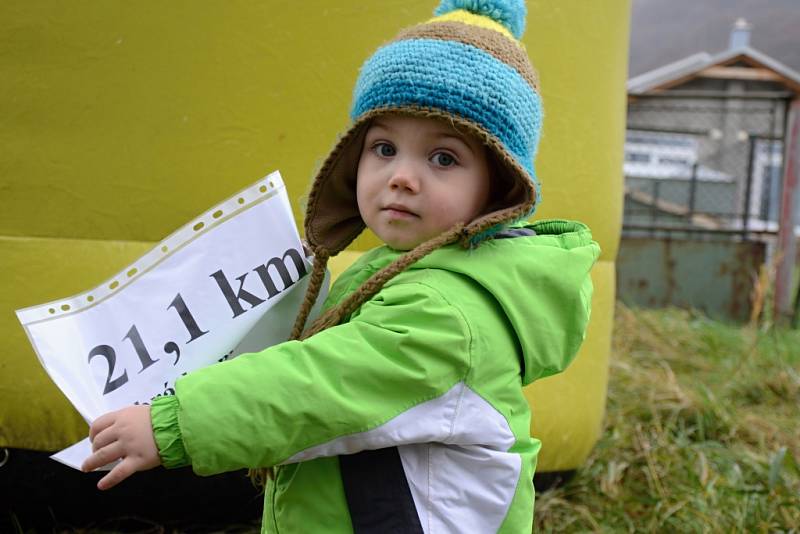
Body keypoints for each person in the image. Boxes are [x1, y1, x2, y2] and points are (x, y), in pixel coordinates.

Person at [82, 0, 600, 531]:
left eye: (443, 158)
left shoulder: (449, 314)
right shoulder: (399, 271)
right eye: (383, 147)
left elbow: (317, 387)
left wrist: (173, 423)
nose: (401, 176)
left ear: (500, 187)